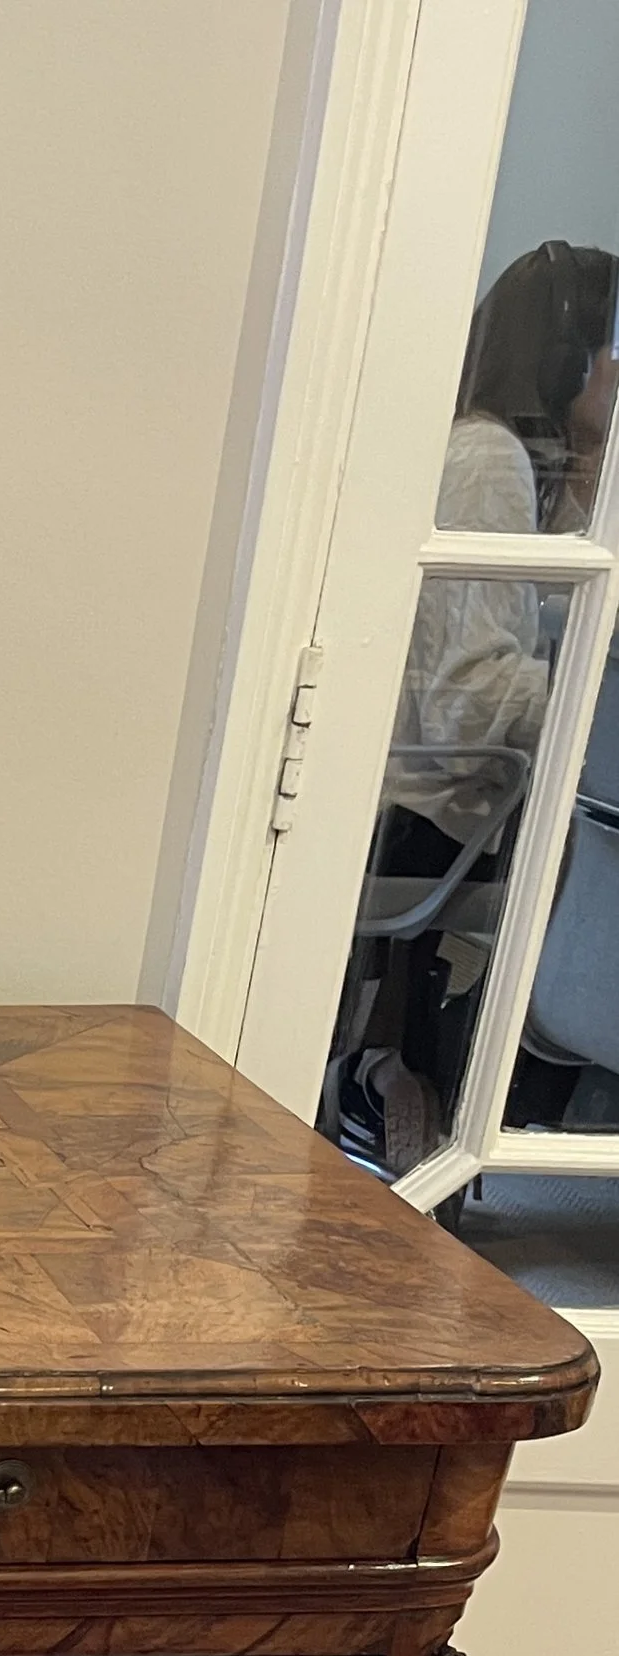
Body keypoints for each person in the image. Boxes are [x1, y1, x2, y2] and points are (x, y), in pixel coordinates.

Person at [325, 239, 619, 1175]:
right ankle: (434, 1087)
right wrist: (587, 695)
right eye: (611, 349)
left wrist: (585, 471)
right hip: (430, 808)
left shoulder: (511, 452)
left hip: (443, 790)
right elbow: (468, 699)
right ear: (570, 352)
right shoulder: (487, 457)